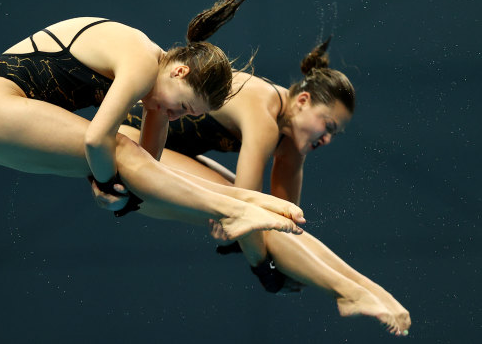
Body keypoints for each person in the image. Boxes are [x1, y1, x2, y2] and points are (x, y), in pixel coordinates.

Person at [0, 0, 305, 242]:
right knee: (119, 147)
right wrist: (109, 181)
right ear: (179, 71)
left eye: (186, 115)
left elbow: (146, 173)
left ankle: (239, 202)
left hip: (0, 135)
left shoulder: (156, 101)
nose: (176, 116)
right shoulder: (141, 61)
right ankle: (235, 207)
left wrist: (114, 193)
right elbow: (97, 140)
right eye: (182, 106)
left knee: (132, 161)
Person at [120, 38, 411, 336]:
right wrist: (265, 269)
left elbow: (286, 228)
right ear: (302, 101)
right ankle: (348, 292)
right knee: (252, 210)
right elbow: (246, 215)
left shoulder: (292, 148)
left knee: (277, 220)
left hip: (171, 154)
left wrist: (276, 263)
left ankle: (368, 288)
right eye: (328, 126)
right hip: (133, 145)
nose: (327, 139)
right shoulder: (263, 112)